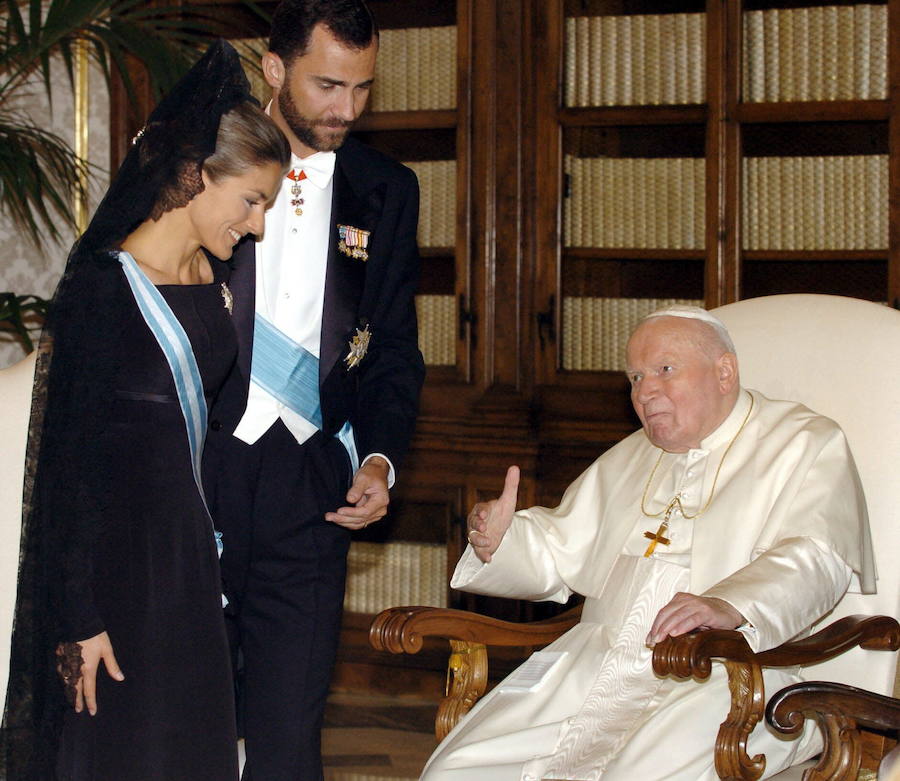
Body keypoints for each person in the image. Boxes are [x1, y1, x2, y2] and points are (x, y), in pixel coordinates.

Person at [422, 305, 876, 781]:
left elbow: (819, 555)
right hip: (596, 660)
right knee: (455, 769)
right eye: (635, 377)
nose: (645, 391)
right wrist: (502, 540)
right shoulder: (628, 456)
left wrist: (728, 603)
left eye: (664, 370)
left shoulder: (804, 442)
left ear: (724, 372)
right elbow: (557, 551)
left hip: (728, 671)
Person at [0, 41, 290, 781]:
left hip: (190, 564)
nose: (256, 225)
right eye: (250, 200)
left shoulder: (209, 271)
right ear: (197, 175)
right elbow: (67, 466)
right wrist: (79, 618)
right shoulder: (103, 288)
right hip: (119, 576)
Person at [201, 2, 425, 779]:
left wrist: (381, 460)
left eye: (362, 89)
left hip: (313, 479)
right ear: (273, 68)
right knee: (186, 718)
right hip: (202, 465)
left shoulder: (388, 190)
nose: (346, 110)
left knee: (289, 732)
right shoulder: (200, 154)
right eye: (328, 85)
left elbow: (395, 349)